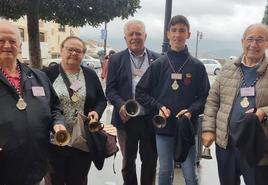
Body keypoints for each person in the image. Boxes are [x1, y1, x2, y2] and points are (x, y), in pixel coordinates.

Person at [136, 15, 210, 185]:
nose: (178, 35)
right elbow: (140, 92)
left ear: (188, 34)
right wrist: (159, 106)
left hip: (187, 127)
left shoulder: (197, 66)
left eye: (182, 31)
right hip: (163, 126)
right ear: (168, 34)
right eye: (174, 30)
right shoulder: (158, 64)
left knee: (190, 172)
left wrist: (191, 111)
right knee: (164, 170)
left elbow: (205, 97)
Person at [0, 21, 66, 185]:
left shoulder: (38, 77)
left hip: (35, 165)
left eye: (12, 41)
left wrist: (58, 123)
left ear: (20, 45)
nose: (7, 46)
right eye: (1, 41)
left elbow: (55, 107)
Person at [202, 23, 268, 185]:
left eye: (260, 40)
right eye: (250, 39)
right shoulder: (228, 68)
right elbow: (212, 101)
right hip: (226, 143)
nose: (253, 44)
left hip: (256, 144)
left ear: (267, 43)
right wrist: (209, 129)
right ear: (242, 41)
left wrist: (263, 111)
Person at [43, 36, 107, 185]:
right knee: (54, 181)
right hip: (54, 141)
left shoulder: (90, 75)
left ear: (83, 54)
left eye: (78, 51)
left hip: (82, 140)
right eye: (70, 49)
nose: (73, 53)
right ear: (61, 50)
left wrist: (96, 112)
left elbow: (101, 100)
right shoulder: (47, 74)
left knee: (78, 180)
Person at [106, 20, 160, 185]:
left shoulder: (158, 59)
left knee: (150, 161)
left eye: (138, 33)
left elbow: (160, 90)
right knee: (128, 162)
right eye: (131, 34)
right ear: (125, 38)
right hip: (126, 120)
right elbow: (110, 90)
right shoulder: (115, 59)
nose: (135, 37)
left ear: (145, 36)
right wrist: (121, 104)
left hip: (149, 119)